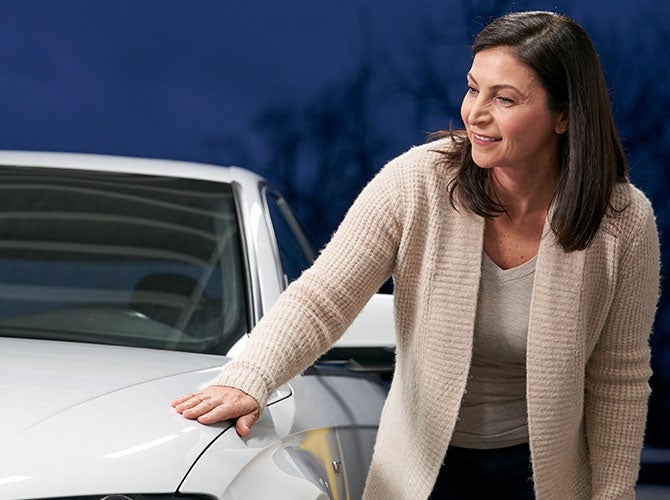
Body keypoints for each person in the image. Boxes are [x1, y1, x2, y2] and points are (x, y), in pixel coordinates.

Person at [172, 11, 660, 499]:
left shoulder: (622, 221)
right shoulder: (417, 182)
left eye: (505, 98)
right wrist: (249, 378)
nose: (476, 113)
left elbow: (619, 375)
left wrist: (613, 494)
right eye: (473, 89)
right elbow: (323, 296)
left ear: (565, 114)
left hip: (545, 475)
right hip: (422, 469)